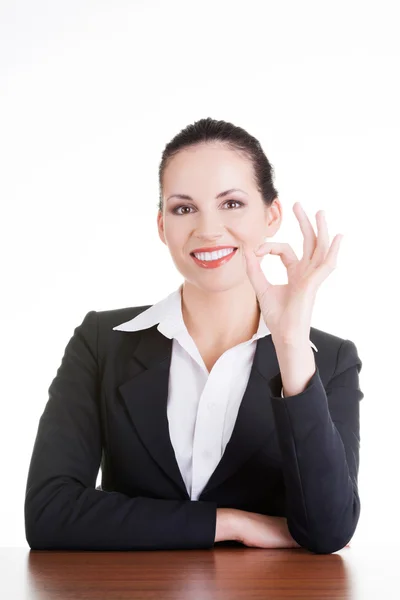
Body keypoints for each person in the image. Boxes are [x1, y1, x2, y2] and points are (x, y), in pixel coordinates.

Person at [24, 117, 364, 554]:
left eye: (232, 203)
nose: (207, 229)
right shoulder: (102, 342)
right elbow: (49, 514)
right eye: (184, 208)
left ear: (271, 215)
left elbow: (328, 531)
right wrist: (229, 523)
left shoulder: (328, 359)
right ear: (163, 226)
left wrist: (292, 344)